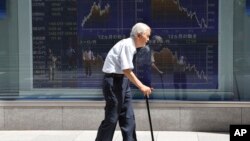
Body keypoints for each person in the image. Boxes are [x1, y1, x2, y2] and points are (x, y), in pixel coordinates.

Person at [95, 22, 153, 141]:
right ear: (139, 35)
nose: (148, 39)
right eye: (147, 36)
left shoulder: (131, 46)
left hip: (122, 81)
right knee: (111, 119)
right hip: (113, 81)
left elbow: (125, 72)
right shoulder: (128, 45)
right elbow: (126, 69)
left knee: (128, 118)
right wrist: (141, 86)